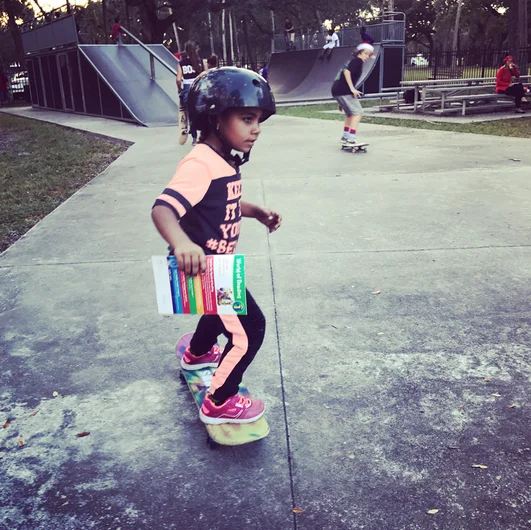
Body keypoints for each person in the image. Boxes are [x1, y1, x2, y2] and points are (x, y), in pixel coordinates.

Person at [151, 67, 282, 424]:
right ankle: (220, 401)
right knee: (250, 330)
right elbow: (163, 208)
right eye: (246, 118)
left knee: (217, 310)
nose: (256, 129)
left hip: (217, 266)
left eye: (259, 120)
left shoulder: (222, 159)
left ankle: (196, 354)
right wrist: (180, 242)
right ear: (213, 117)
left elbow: (220, 199)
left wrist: (253, 211)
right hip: (206, 266)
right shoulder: (200, 163)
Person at [331, 43, 374, 144]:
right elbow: (346, 72)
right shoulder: (357, 61)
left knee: (350, 114)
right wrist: (352, 88)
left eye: (369, 55)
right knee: (358, 113)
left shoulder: (351, 61)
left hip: (337, 90)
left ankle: (345, 136)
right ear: (359, 53)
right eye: (365, 54)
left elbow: (342, 75)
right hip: (344, 91)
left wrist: (341, 102)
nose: (367, 57)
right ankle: (351, 138)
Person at [176, 41, 204, 145]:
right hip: (199, 89)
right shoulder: (200, 61)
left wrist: (180, 90)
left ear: (185, 51)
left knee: (191, 115)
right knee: (201, 113)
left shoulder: (181, 63)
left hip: (187, 90)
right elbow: (205, 75)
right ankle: (205, 135)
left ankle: (194, 138)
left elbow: (178, 80)